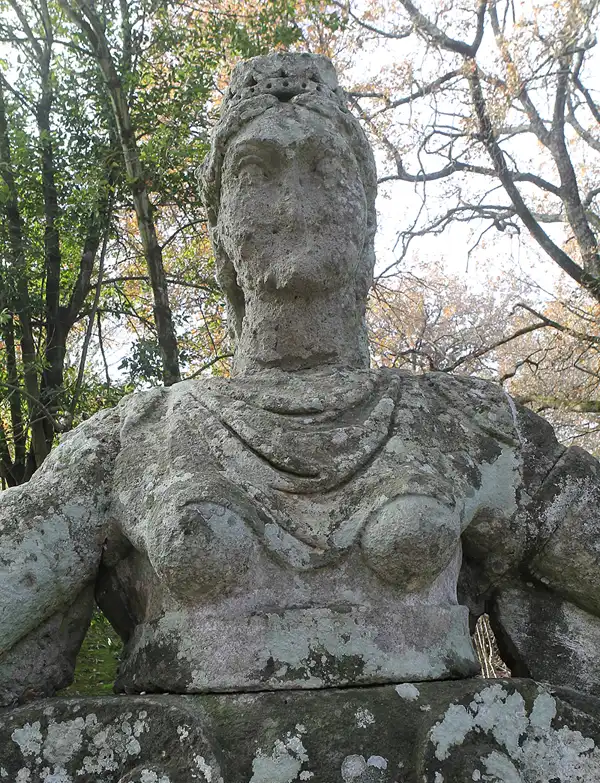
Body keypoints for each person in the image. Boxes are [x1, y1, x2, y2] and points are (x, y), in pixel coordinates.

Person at [0, 52, 598, 707]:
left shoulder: (467, 424)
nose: (294, 203)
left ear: (369, 215)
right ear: (220, 227)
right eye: (255, 171)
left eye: (325, 166)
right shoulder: (140, 438)